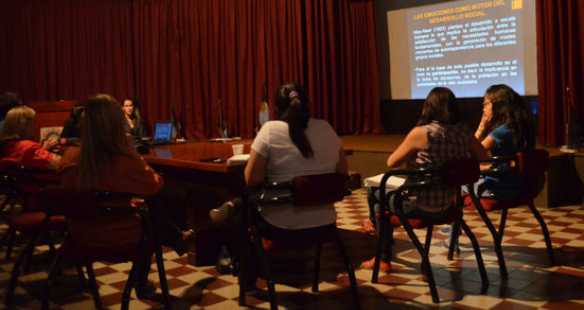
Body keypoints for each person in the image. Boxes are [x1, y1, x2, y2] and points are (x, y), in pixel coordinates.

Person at [57, 94, 193, 299]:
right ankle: (144, 277)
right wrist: (132, 153)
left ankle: (176, 240)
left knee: (143, 204)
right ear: (115, 123)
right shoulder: (121, 162)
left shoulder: (69, 159)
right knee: (148, 211)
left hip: (79, 235)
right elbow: (155, 184)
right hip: (120, 236)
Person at [212, 82, 348, 287]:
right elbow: (342, 173)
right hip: (325, 224)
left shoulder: (270, 130)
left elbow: (251, 180)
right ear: (308, 104)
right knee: (253, 204)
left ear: (276, 109)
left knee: (243, 215)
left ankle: (247, 279)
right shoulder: (326, 128)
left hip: (280, 228)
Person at [360, 87, 485, 272]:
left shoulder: (422, 133)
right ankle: (381, 231)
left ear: (429, 107)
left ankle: (383, 256)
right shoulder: (464, 132)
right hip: (449, 205)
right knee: (382, 202)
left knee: (376, 197)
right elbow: (483, 156)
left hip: (419, 206)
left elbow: (392, 162)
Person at [473, 84, 535, 200]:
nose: (483, 109)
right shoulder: (520, 127)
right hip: (517, 187)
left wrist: (481, 127)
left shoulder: (502, 131)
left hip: (497, 189)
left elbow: (472, 152)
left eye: (486, 105)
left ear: (498, 105)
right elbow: (506, 164)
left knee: (453, 184)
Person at [1, 105, 61, 170]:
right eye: (33, 121)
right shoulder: (28, 147)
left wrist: (43, 150)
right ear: (24, 124)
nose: (35, 124)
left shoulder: (9, 145)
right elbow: (59, 164)